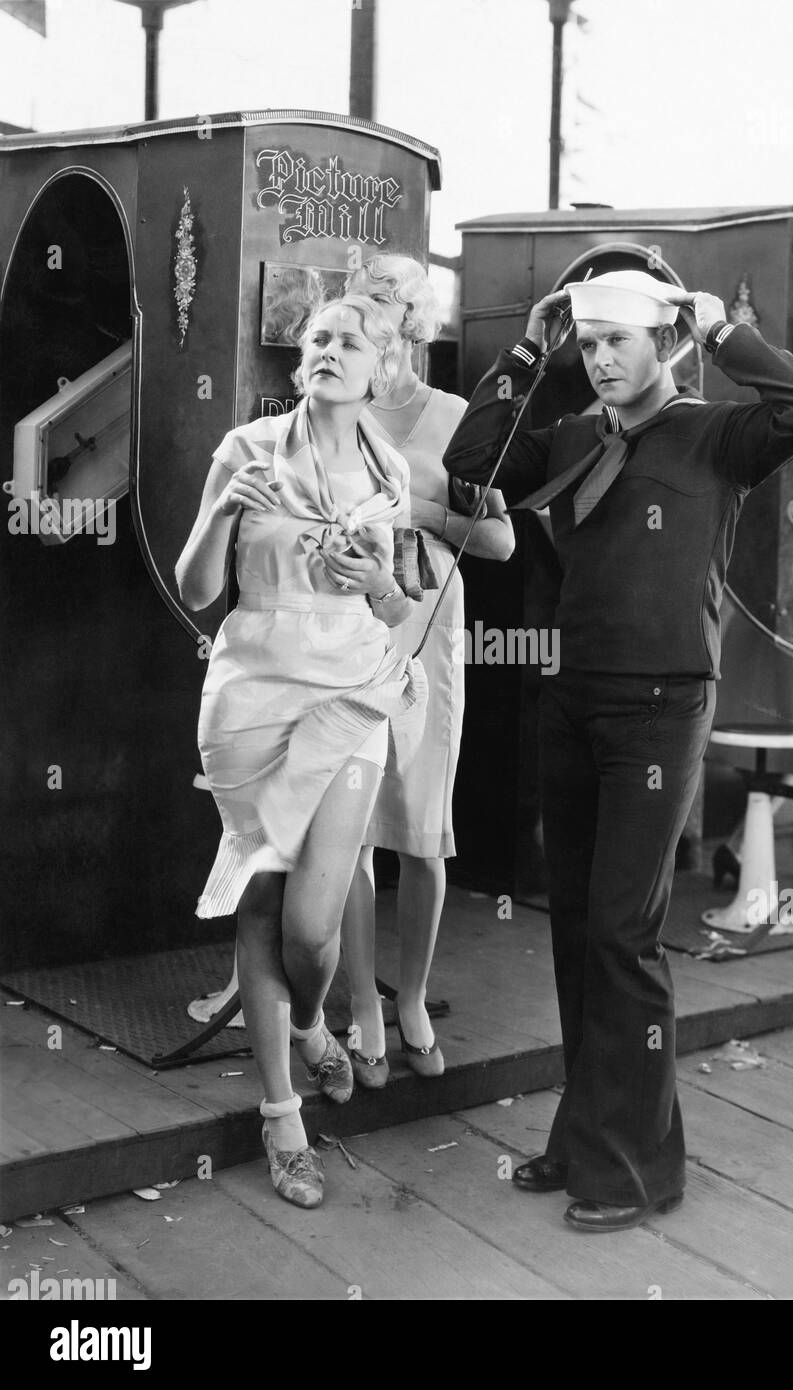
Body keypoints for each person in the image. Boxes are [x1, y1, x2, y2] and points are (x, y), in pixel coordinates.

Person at [443, 268, 793, 1232]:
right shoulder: (578, 435)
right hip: (572, 702)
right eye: (589, 342)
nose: (602, 358)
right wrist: (531, 349)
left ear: (665, 341)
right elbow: (476, 469)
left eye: (619, 340)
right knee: (578, 927)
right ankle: (587, 1134)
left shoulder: (716, 433)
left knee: (623, 933)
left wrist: (725, 330)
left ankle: (639, 1168)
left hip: (660, 712)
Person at [175, 293, 426, 1209]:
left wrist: (382, 586)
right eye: (318, 339)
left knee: (315, 925)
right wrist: (216, 518)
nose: (329, 351)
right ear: (301, 362)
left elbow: (395, 605)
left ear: (380, 369)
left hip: (353, 685)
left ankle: (317, 1025)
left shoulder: (389, 469)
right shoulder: (244, 452)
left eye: (350, 342)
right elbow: (199, 587)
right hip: (251, 687)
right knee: (264, 896)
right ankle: (284, 1116)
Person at [338, 254, 515, 1085]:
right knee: (350, 827)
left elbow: (502, 542)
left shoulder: (457, 417)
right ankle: (363, 1009)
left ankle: (410, 998)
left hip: (428, 627)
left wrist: (424, 510)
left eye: (383, 326)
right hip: (345, 629)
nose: (369, 346)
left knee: (420, 827)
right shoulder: (329, 413)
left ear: (414, 330)